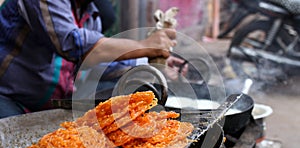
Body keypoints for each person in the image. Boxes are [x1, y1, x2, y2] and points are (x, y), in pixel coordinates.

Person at [0, 0, 185, 119]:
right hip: (9, 99)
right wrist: (144, 45)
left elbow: (95, 63)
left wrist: (149, 63)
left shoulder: (91, 16)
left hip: (46, 107)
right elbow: (73, 44)